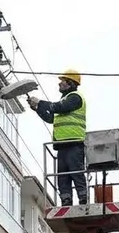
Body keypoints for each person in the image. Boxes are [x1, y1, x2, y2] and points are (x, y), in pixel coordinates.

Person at [28, 70, 88, 206]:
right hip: (62, 145)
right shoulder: (65, 100)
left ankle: (83, 199)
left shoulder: (75, 98)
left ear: (70, 83)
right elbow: (50, 118)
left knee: (76, 172)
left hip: (74, 142)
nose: (60, 83)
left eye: (63, 81)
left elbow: (59, 107)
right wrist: (37, 108)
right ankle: (66, 200)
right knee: (62, 176)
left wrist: (40, 102)